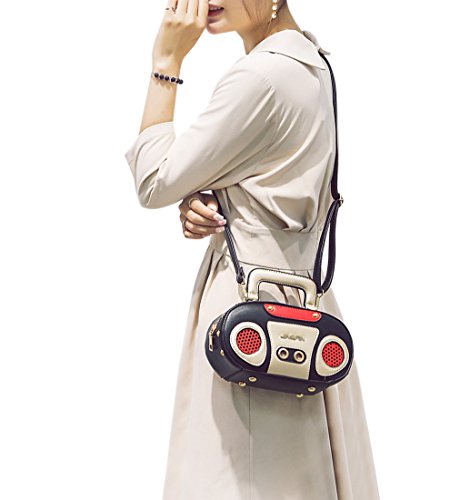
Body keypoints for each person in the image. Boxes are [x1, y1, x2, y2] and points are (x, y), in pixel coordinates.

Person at [124, 0, 380, 498]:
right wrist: (213, 198)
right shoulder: (312, 65)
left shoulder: (260, 77)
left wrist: (166, 63)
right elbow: (267, 181)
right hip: (303, 305)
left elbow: (154, 181)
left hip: (249, 311)